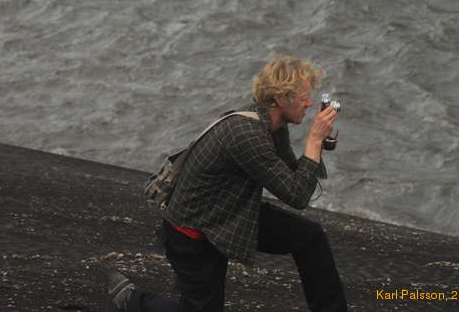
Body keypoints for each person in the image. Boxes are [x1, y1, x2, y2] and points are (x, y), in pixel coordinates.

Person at [105, 57, 348, 312]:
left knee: (309, 237)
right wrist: (313, 141)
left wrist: (318, 145)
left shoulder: (273, 126)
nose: (309, 104)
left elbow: (294, 179)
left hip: (231, 214)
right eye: (303, 97)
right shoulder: (246, 134)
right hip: (194, 233)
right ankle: (131, 299)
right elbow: (297, 196)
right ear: (280, 99)